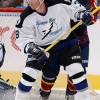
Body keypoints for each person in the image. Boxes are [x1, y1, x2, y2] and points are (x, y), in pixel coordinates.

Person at [13, 0, 93, 100]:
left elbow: (76, 8)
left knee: (77, 70)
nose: (28, 1)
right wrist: (30, 47)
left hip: (66, 43)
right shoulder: (26, 16)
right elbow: (21, 36)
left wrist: (83, 14)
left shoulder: (59, 2)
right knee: (29, 73)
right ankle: (40, 95)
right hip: (42, 48)